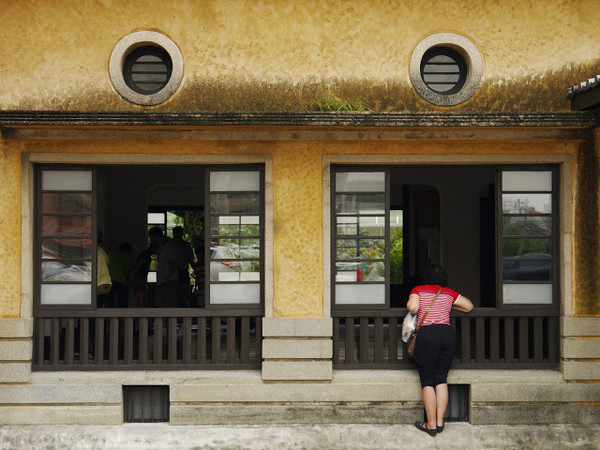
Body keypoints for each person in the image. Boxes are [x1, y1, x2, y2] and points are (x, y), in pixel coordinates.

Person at [406, 264, 474, 437]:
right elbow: (469, 306)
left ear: (425, 277)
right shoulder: (448, 293)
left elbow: (413, 308)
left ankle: (430, 425)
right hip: (447, 335)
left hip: (428, 335)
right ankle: (439, 422)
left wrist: (417, 301)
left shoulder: (418, 290)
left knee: (427, 380)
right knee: (441, 378)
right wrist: (449, 306)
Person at [171, 226, 195, 307]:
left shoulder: (186, 246)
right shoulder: (170, 245)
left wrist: (196, 270)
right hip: (175, 272)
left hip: (181, 271)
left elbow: (191, 260)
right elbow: (191, 260)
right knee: (177, 294)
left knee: (183, 294)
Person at [108, 242, 133, 308]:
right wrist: (128, 282)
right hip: (121, 280)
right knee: (122, 301)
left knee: (110, 300)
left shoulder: (111, 254)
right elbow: (130, 270)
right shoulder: (127, 256)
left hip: (109, 279)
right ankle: (122, 314)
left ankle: (109, 313)